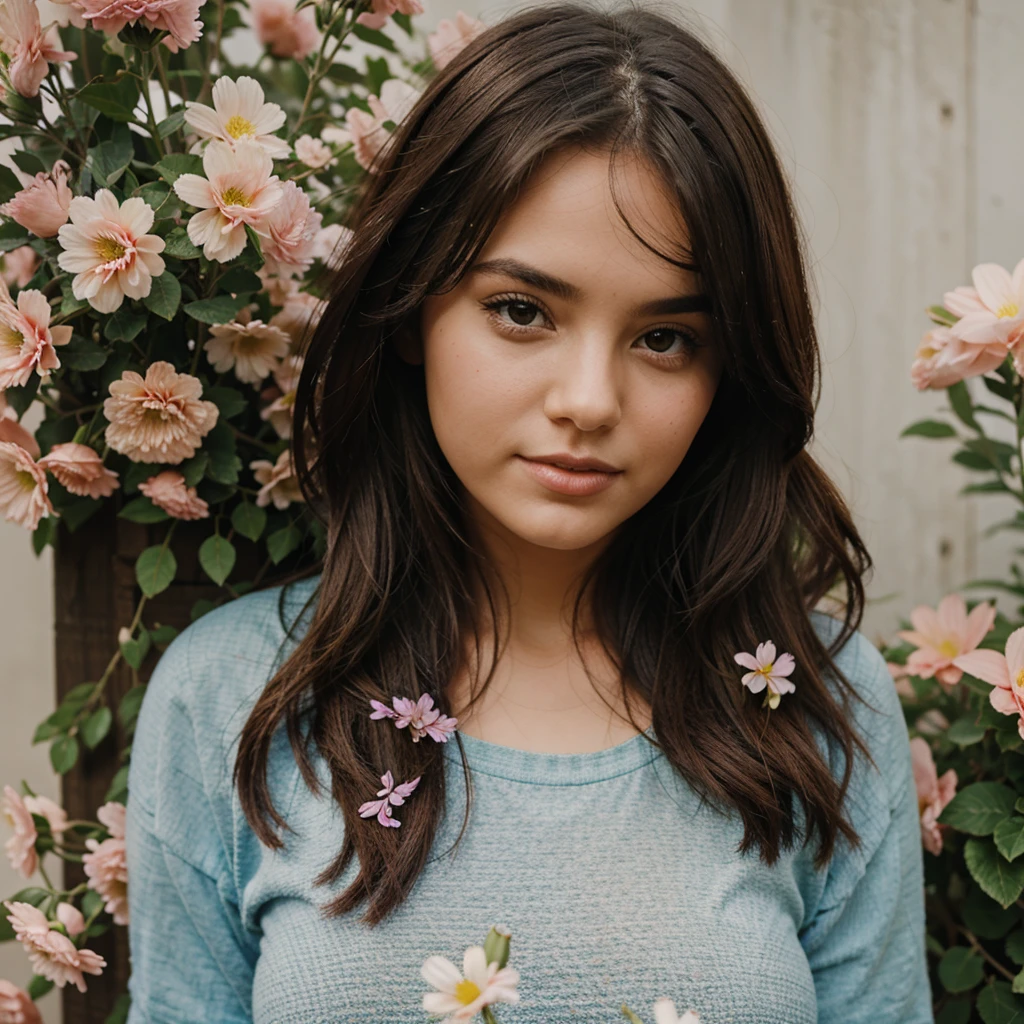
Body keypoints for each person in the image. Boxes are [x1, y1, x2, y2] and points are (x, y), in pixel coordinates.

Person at [124, 2, 934, 1022]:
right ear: (412, 308)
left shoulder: (817, 709)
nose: (589, 400)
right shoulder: (231, 702)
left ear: (728, 370)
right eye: (521, 311)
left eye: (666, 339)